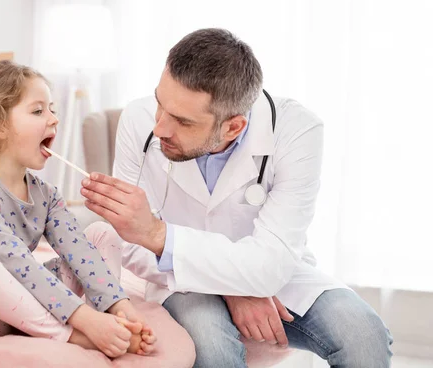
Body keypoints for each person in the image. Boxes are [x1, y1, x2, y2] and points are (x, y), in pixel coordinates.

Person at [80, 28, 393, 367]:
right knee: (211, 345)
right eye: (160, 103)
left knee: (364, 336)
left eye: (183, 122)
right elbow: (130, 244)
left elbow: (271, 264)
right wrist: (234, 287)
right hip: (179, 280)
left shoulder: (297, 131)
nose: (160, 129)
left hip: (276, 275)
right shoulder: (137, 120)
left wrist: (158, 234)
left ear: (233, 127)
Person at [0, 60, 156, 358]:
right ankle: (76, 336)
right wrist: (83, 320)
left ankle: (109, 322)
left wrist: (122, 307)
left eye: (52, 109)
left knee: (99, 234)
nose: (54, 119)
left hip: (24, 306)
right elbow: (17, 262)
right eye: (38, 110)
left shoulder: (46, 194)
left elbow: (79, 250)